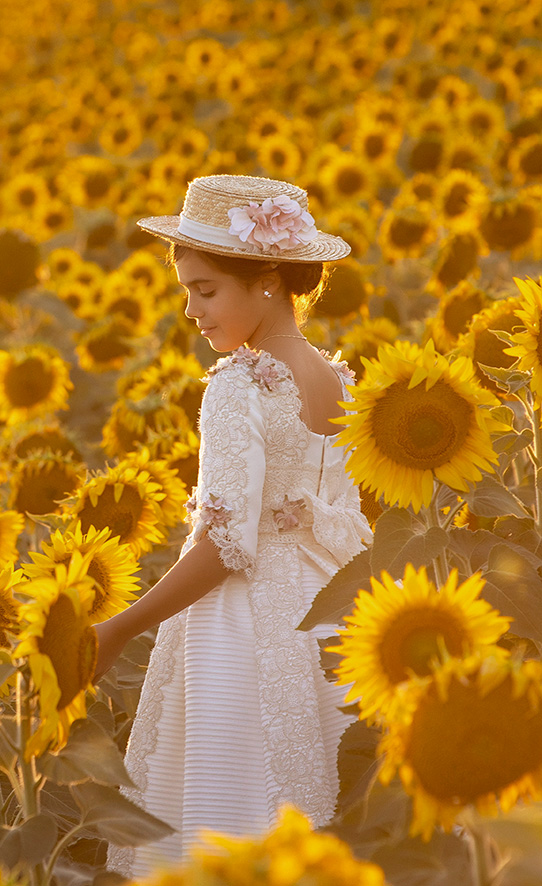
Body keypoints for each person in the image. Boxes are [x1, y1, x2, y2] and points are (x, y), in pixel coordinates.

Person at [96, 174, 372, 879]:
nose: (191, 310)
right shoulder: (344, 384)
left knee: (227, 824)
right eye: (187, 290)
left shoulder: (238, 384)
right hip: (332, 621)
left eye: (205, 289)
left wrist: (119, 627)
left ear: (271, 281)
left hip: (240, 635)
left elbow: (224, 545)